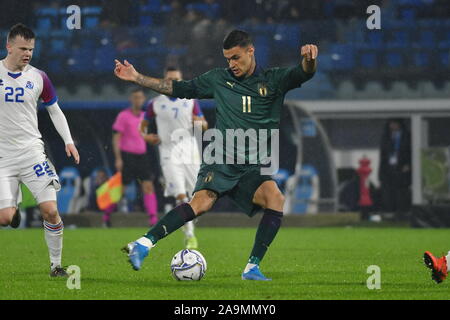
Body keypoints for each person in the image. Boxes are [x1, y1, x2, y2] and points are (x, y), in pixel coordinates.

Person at [115, 29, 317, 280]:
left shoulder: (274, 80)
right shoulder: (218, 79)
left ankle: (252, 268)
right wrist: (137, 77)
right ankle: (143, 244)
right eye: (227, 59)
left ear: (250, 50)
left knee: (275, 198)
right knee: (201, 203)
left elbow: (304, 72)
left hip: (251, 168)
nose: (231, 64)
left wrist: (309, 59)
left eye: (236, 57)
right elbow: (179, 87)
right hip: (220, 159)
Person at [0, 24, 80, 277]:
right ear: (9, 46)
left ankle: (56, 266)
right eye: (23, 48)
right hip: (3, 156)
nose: (28, 54)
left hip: (33, 152)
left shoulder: (39, 77)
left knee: (51, 211)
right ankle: (13, 212)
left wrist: (68, 140)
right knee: (4, 218)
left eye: (31, 49)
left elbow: (54, 110)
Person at [140, 66, 208, 249]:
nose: (173, 82)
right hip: (168, 152)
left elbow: (205, 124)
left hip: (190, 150)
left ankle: (185, 219)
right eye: (170, 79)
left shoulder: (190, 101)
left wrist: (199, 122)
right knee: (180, 194)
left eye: (177, 79)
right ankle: (190, 235)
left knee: (197, 197)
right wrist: (147, 136)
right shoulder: (155, 103)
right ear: (164, 80)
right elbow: (143, 126)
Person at [112, 87, 159, 226]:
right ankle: (107, 215)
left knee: (148, 186)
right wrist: (118, 158)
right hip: (127, 156)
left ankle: (153, 218)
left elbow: (145, 137)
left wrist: (152, 139)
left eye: (140, 97)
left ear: (144, 99)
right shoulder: (123, 116)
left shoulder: (145, 116)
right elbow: (116, 138)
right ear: (130, 99)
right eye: (135, 97)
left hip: (142, 156)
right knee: (121, 188)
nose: (137, 100)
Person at [378, 118, 412, 220]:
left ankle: (403, 213)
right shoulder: (386, 137)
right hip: (389, 171)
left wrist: (409, 164)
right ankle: (390, 213)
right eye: (391, 124)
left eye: (395, 124)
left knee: (402, 193)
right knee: (388, 193)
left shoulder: (407, 136)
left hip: (402, 170)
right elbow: (383, 155)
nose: (392, 126)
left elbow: (411, 151)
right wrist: (381, 174)